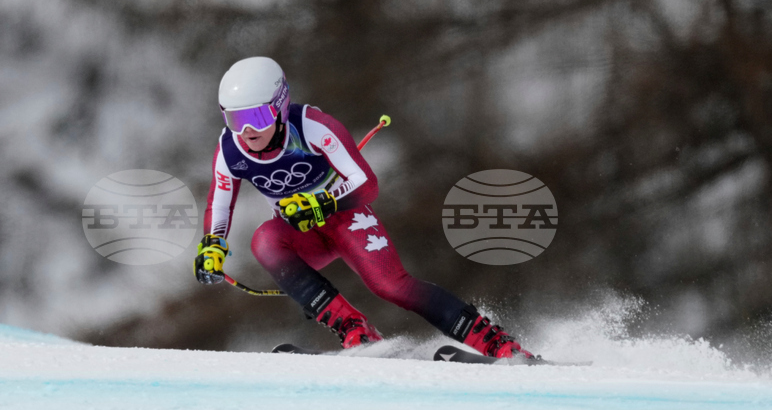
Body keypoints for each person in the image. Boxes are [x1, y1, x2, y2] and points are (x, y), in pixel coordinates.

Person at [193, 57, 532, 359]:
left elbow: (367, 184)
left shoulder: (314, 127)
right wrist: (213, 247)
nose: (247, 131)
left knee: (391, 286)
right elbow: (220, 203)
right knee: (265, 240)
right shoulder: (229, 150)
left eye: (256, 116)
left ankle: (497, 344)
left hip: (346, 217)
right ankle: (355, 329)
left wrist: (320, 203)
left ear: (280, 106)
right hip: (303, 234)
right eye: (235, 119)